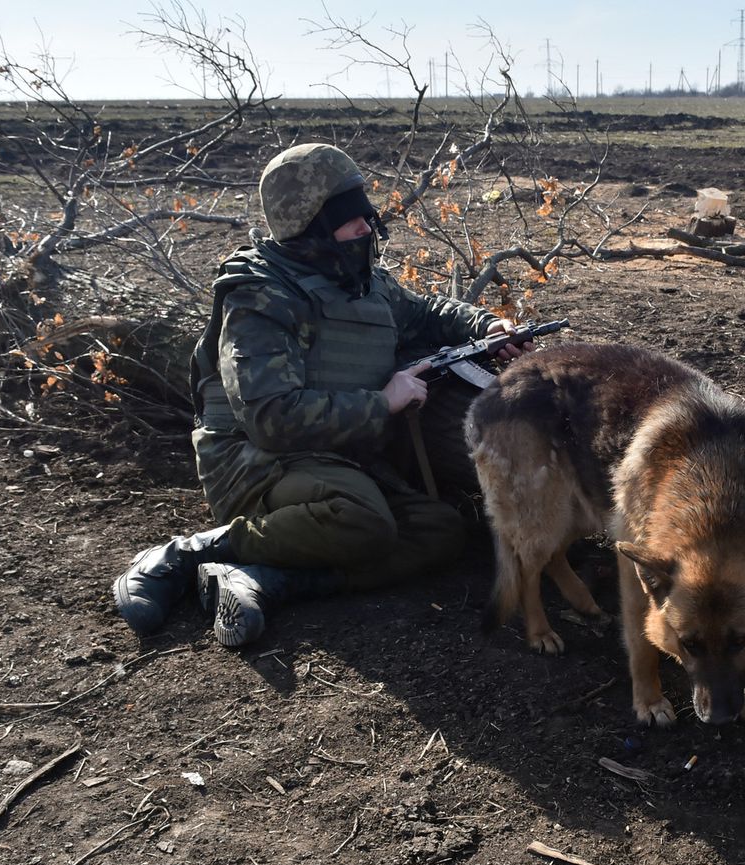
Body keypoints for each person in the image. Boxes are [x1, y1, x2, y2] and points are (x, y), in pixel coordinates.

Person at [114, 143, 526, 647]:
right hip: (254, 460)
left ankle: (267, 580)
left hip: (334, 459)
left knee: (439, 529)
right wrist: (383, 402)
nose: (367, 228)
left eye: (365, 216)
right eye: (349, 219)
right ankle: (184, 556)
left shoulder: (360, 282)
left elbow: (429, 313)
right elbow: (270, 418)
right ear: (308, 223)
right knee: (364, 520)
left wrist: (489, 326)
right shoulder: (260, 296)